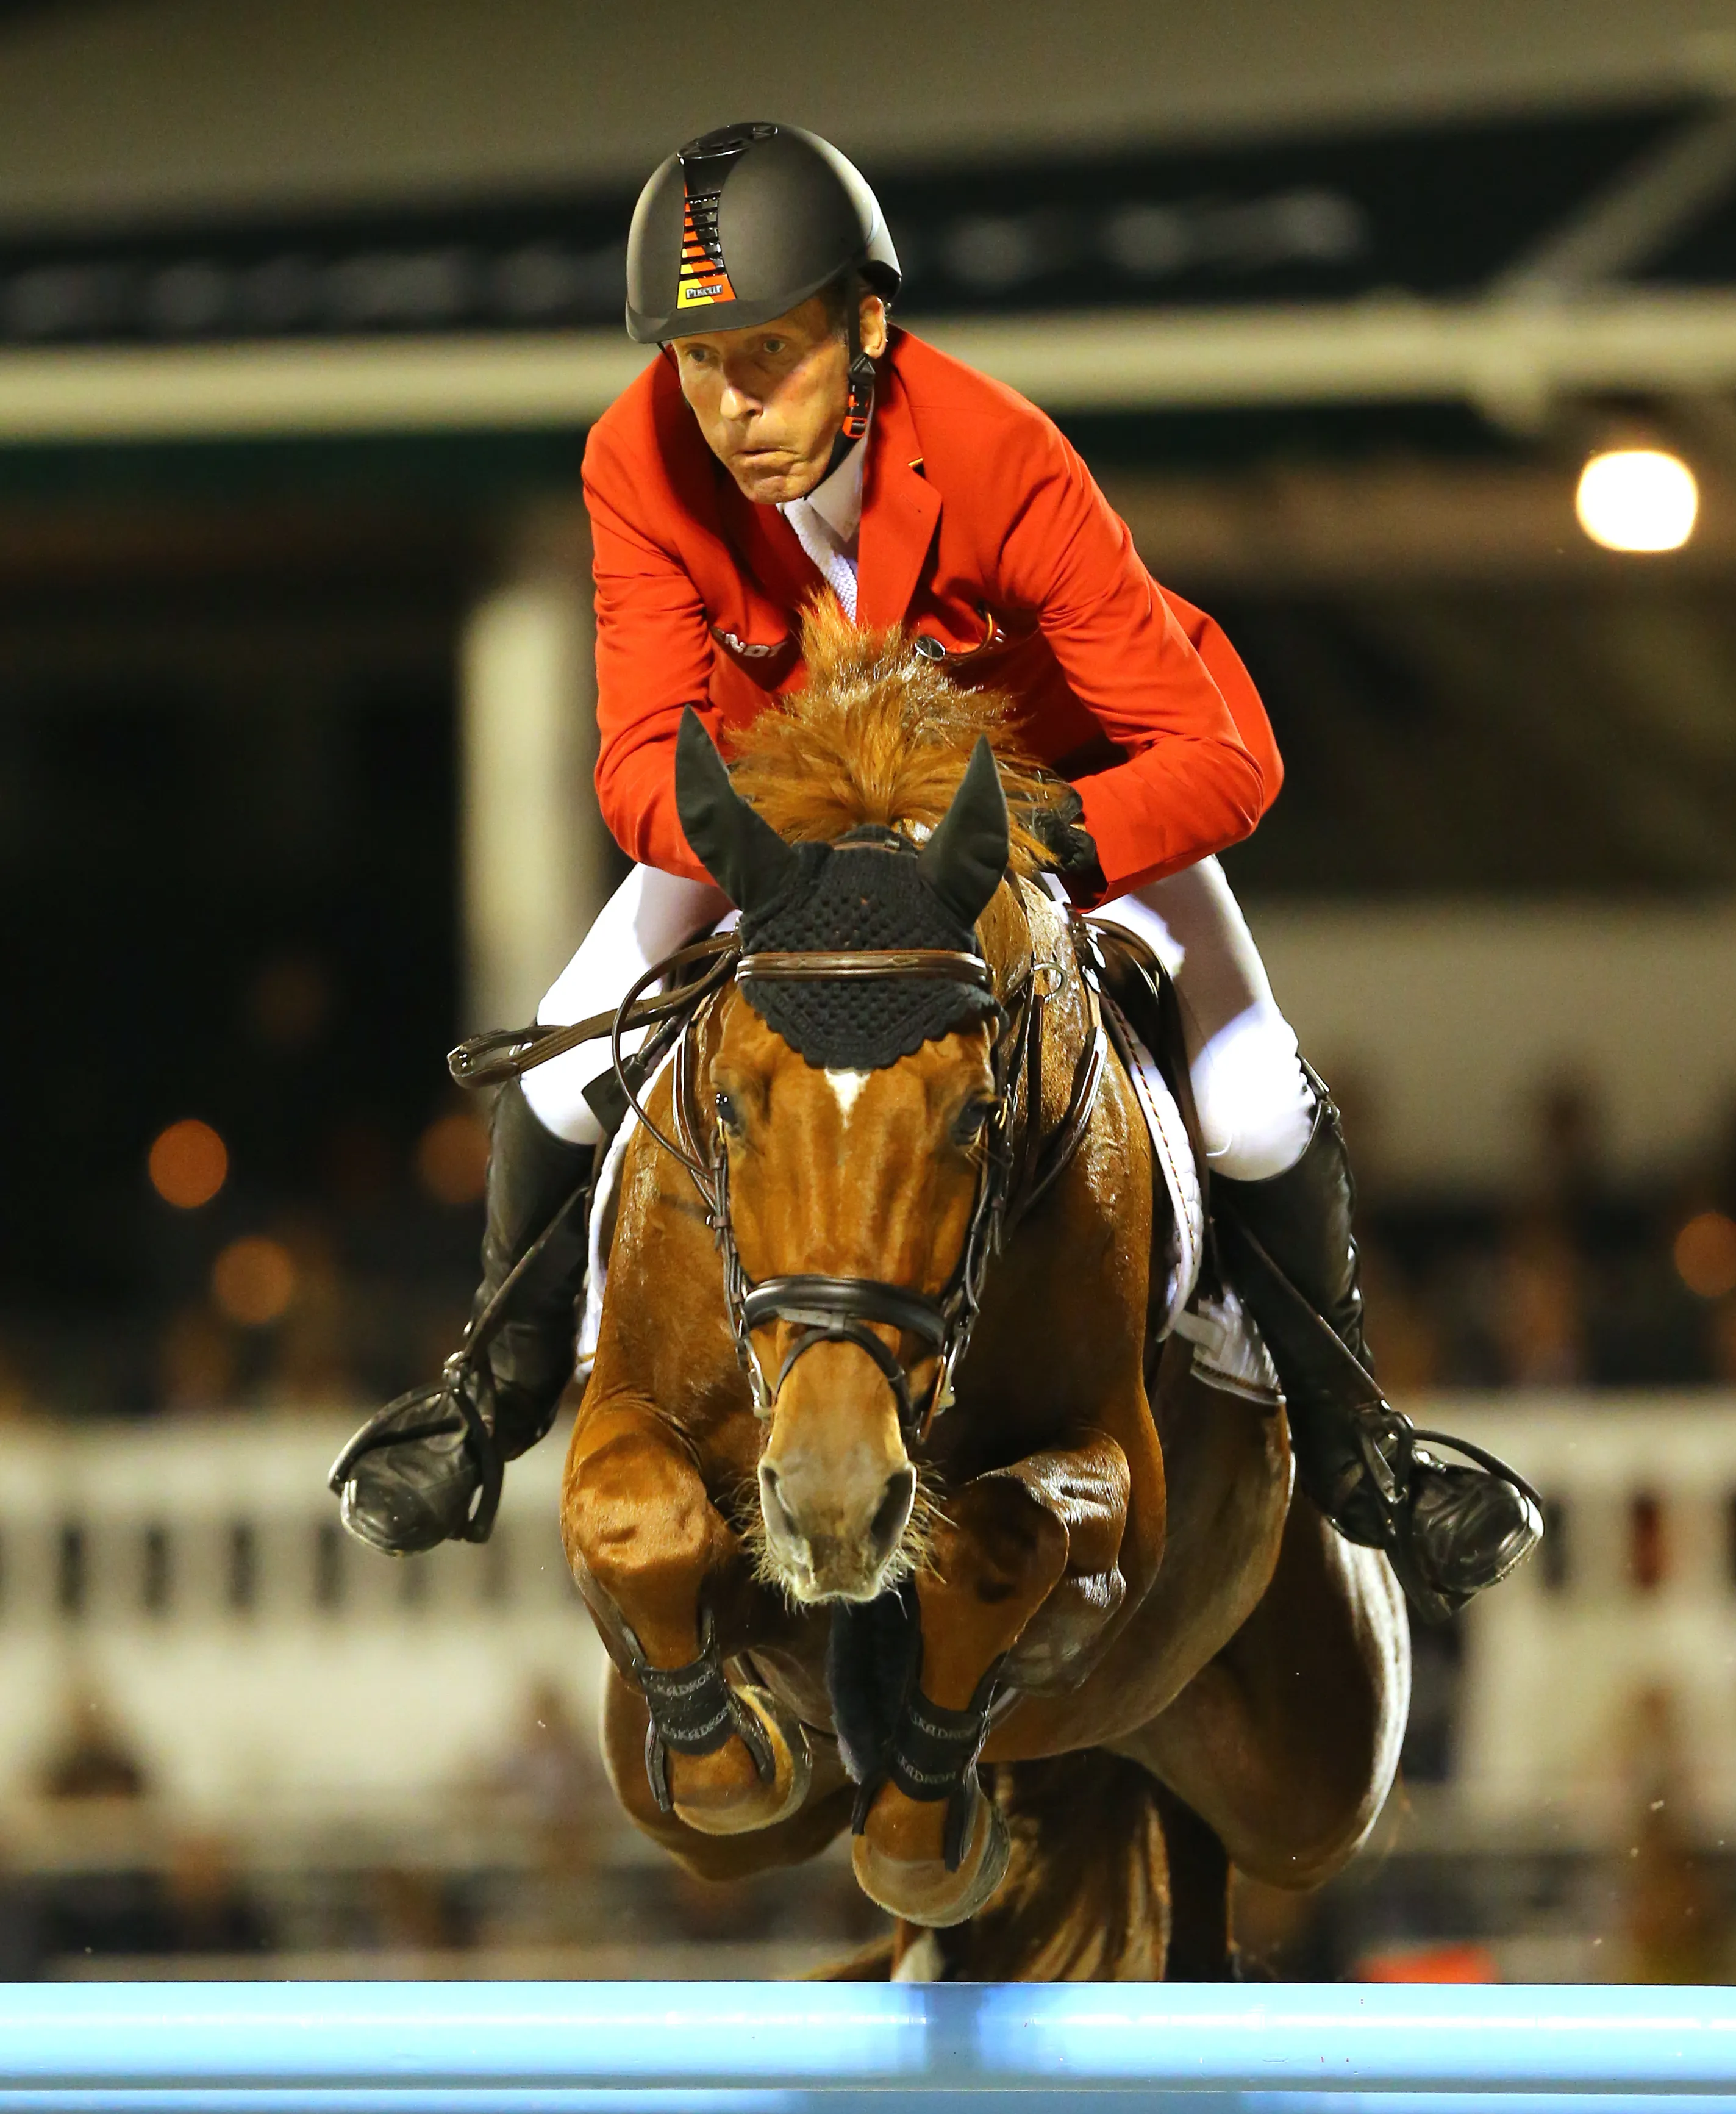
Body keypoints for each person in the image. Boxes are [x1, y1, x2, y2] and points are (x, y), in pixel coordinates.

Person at [338, 120, 1538, 1622]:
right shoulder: (633, 458)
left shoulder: (997, 453)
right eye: (697, 361)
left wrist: (1034, 850)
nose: (728, 405)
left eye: (768, 351)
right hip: (783, 834)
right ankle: (482, 1407)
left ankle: (1368, 1458)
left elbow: (1227, 760)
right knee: (560, 1077)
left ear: (866, 325)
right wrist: (769, 853)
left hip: (1043, 802)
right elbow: (639, 760)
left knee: (1243, 1102)